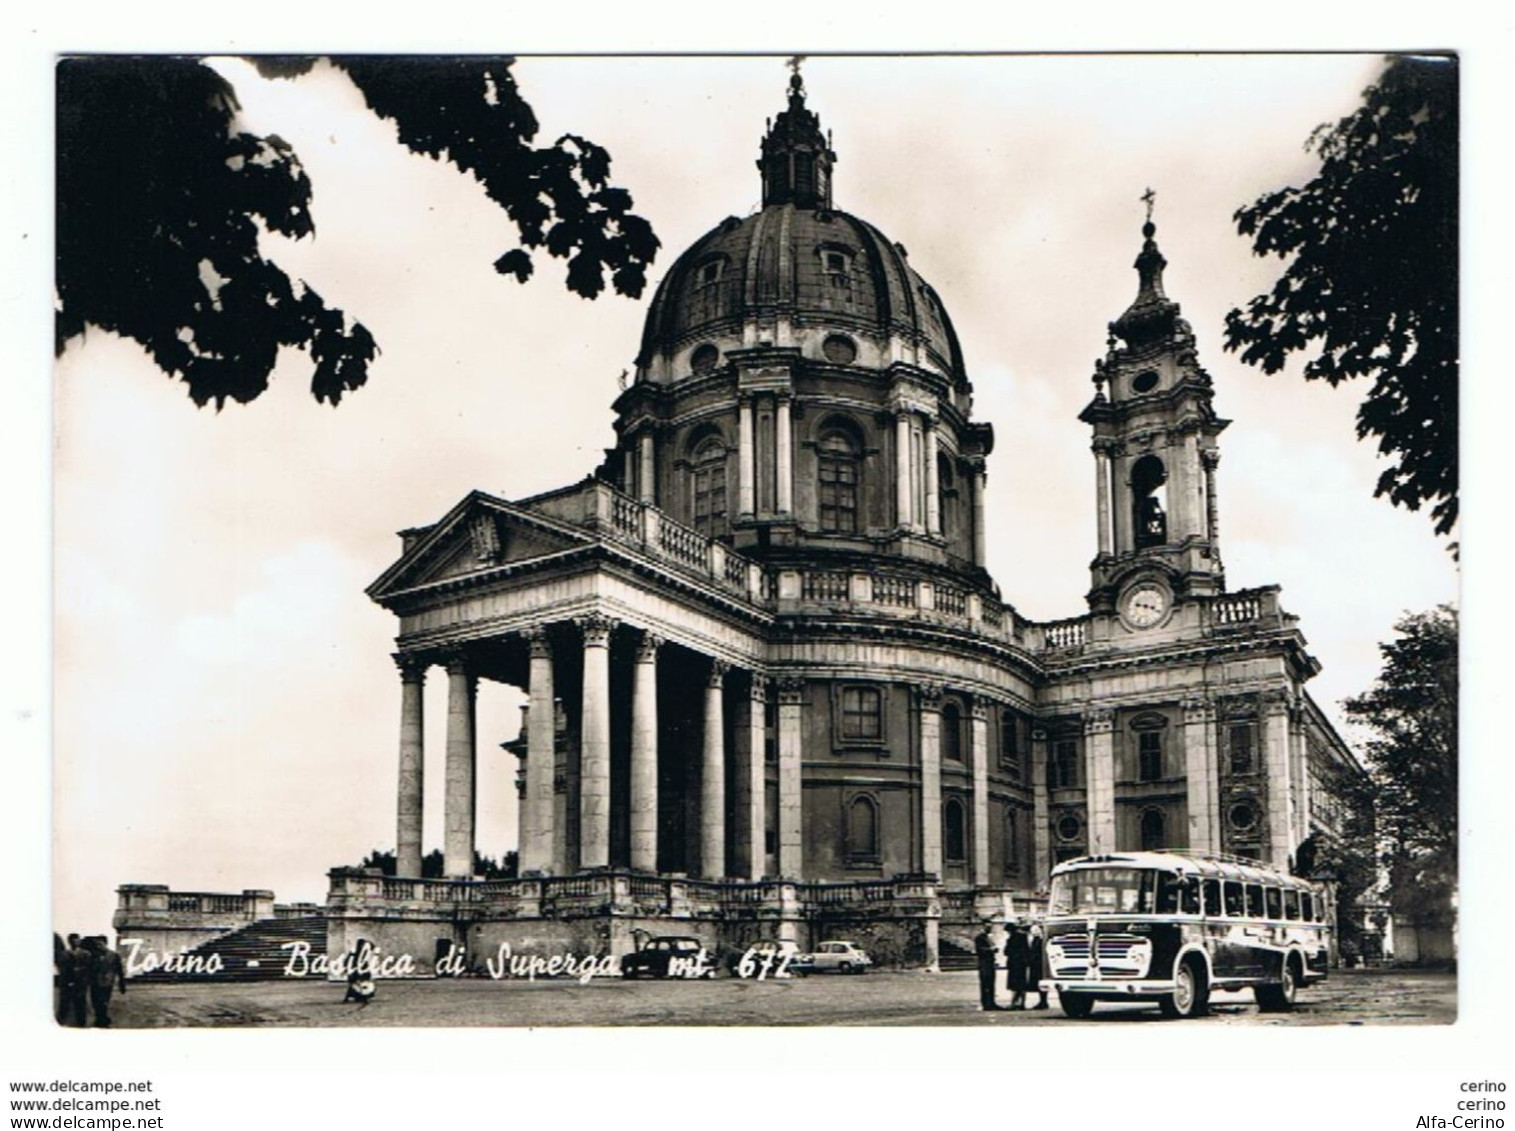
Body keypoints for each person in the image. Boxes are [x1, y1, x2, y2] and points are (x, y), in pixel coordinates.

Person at [86, 937, 126, 1028]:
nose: (98, 947)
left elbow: (119, 970)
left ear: (105, 943)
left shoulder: (114, 955)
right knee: (95, 1001)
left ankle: (102, 1018)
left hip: (107, 982)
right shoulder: (93, 955)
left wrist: (121, 983)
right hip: (95, 982)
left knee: (104, 1001)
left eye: (100, 944)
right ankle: (100, 1017)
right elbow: (89, 969)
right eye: (97, 945)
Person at [58, 934, 90, 1027]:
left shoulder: (85, 953)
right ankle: (62, 1021)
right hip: (67, 982)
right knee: (65, 1003)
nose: (76, 942)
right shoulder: (64, 954)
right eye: (74, 940)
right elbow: (62, 968)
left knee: (80, 1003)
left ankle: (81, 1022)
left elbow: (88, 967)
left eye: (77, 940)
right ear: (69, 942)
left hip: (81, 982)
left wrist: (81, 972)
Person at [973, 921, 1003, 1010]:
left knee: (991, 983)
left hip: (990, 962)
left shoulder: (988, 937)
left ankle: (991, 1002)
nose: (990, 929)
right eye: (988, 927)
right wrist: (991, 949)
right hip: (984, 963)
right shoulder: (979, 937)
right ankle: (987, 1003)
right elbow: (980, 950)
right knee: (986, 983)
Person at [1004, 920, 1031, 1010]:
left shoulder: (1012, 937)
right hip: (1022, 963)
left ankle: (1014, 1002)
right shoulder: (1023, 936)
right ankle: (1022, 1003)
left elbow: (1006, 951)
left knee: (1014, 985)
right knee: (1022, 984)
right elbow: (1026, 950)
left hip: (1014, 963)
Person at [1026, 922, 1049, 1010]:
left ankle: (1043, 1001)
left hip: (1038, 965)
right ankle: (1043, 1001)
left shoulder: (1038, 940)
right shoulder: (1038, 940)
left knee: (1040, 983)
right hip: (1037, 965)